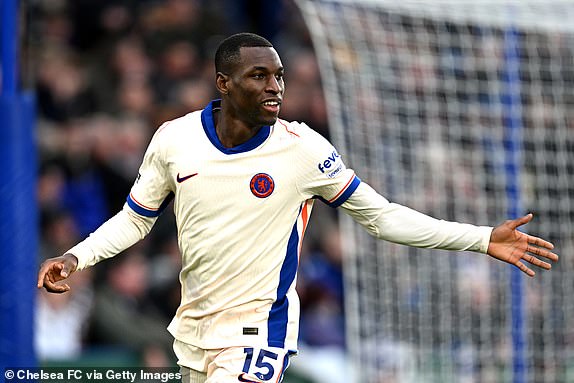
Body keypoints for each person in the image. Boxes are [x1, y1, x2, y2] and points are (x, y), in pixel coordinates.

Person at [38, 32, 558, 383]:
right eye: (259, 76)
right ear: (224, 84)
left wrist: (479, 237)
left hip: (260, 329)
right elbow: (136, 219)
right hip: (192, 329)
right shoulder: (174, 141)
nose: (275, 87)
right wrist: (77, 258)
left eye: (279, 76)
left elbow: (382, 216)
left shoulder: (302, 148)